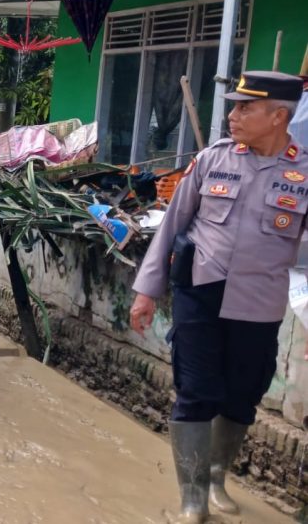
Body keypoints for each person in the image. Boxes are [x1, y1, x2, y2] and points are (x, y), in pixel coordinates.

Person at [128, 71, 307, 523]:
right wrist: (147, 291)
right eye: (235, 105)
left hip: (260, 302)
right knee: (195, 392)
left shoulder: (303, 173)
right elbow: (171, 225)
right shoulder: (214, 159)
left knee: (241, 397)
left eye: (246, 107)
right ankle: (192, 496)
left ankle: (216, 476)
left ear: (278, 115)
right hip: (201, 293)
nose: (233, 115)